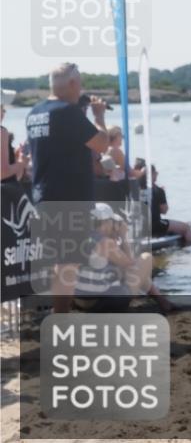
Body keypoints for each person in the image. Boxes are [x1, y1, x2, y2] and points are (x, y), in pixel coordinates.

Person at [26, 63, 110, 313]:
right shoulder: (68, 113)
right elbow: (102, 144)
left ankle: (60, 313)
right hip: (69, 196)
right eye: (80, 83)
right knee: (68, 262)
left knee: (62, 260)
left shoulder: (34, 112)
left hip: (44, 194)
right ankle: (61, 318)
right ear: (73, 84)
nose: (81, 88)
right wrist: (99, 116)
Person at [74, 203, 172, 313]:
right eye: (112, 221)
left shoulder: (82, 237)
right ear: (106, 222)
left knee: (129, 270)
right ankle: (162, 300)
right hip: (99, 304)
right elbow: (130, 265)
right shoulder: (105, 243)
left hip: (79, 301)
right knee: (146, 258)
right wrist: (123, 236)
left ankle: (161, 300)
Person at [135, 160, 191, 245]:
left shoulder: (134, 189)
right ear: (152, 175)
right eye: (156, 172)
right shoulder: (158, 190)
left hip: (138, 227)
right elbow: (164, 210)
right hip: (155, 225)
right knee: (186, 227)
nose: (157, 174)